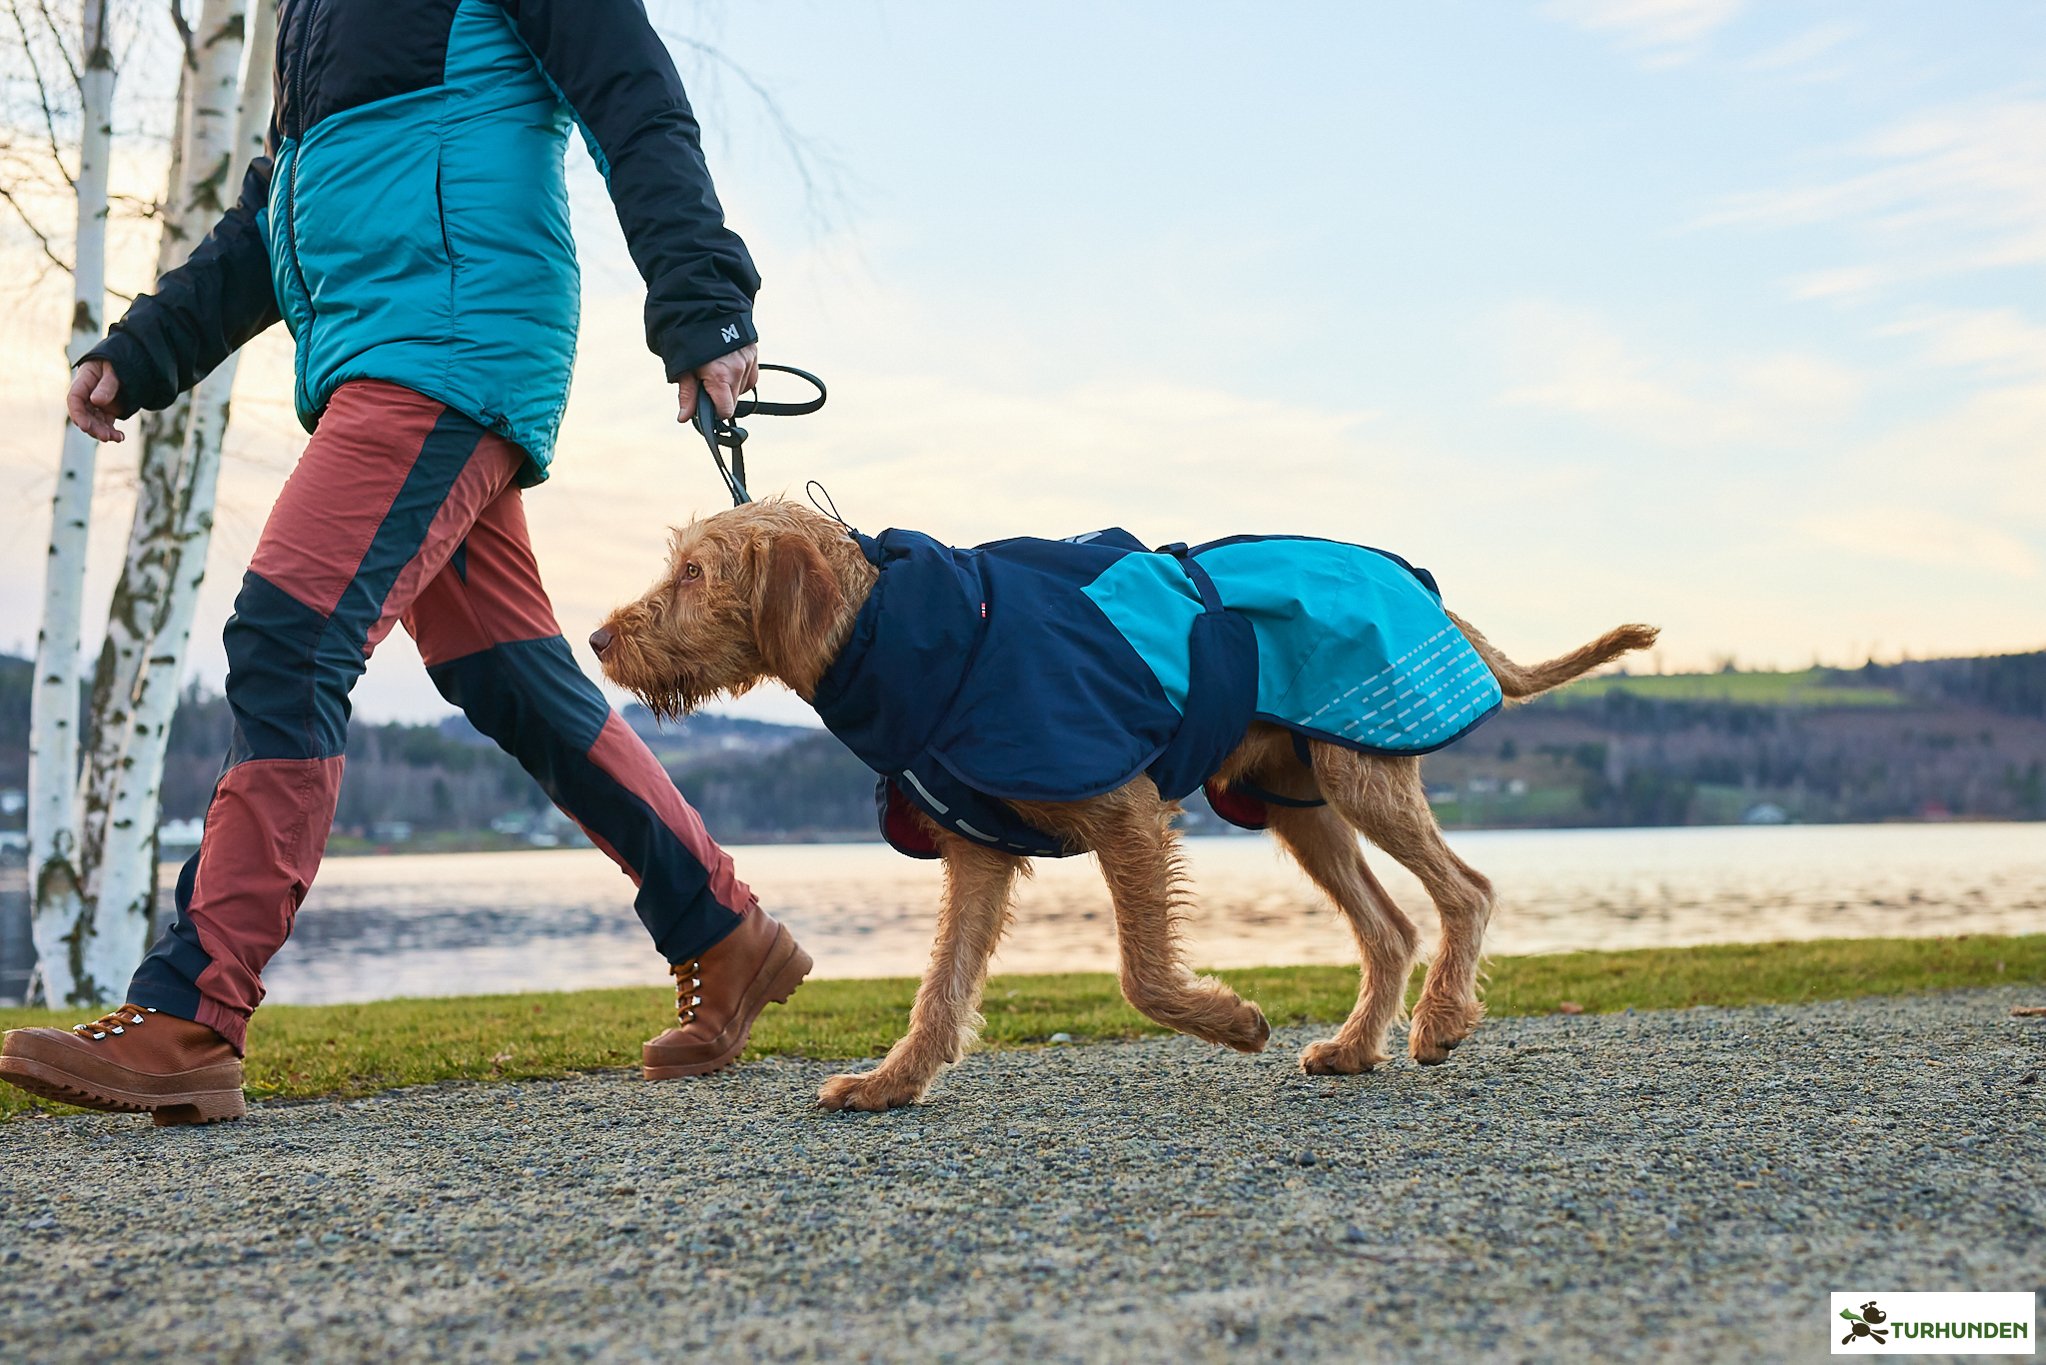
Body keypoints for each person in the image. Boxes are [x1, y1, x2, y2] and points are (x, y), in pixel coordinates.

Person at [0, 0, 812, 1126]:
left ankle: (193, 1011)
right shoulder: (310, 18)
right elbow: (269, 225)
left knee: (290, 634)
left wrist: (703, 301)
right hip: (397, 349)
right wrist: (142, 354)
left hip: (452, 339)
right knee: (509, 676)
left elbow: (635, 93)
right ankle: (724, 931)